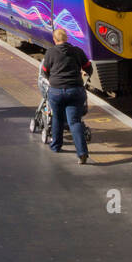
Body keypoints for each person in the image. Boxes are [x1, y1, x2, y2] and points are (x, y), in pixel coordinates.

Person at [40, 27, 92, 164]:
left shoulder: (50, 52)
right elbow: (88, 67)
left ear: (54, 39)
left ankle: (56, 146)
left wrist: (52, 79)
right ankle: (82, 153)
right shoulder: (77, 51)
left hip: (56, 91)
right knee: (74, 121)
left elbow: (45, 71)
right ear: (67, 38)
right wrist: (85, 72)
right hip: (75, 90)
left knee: (57, 117)